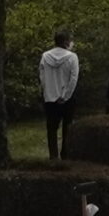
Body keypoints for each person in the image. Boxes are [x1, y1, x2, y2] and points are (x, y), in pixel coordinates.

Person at [37, 31, 80, 162]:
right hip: (67, 98)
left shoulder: (45, 56)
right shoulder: (72, 57)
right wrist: (66, 95)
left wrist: (47, 92)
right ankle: (66, 154)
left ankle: (53, 156)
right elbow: (73, 79)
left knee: (51, 128)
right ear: (66, 42)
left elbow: (42, 77)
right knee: (68, 127)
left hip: (50, 97)